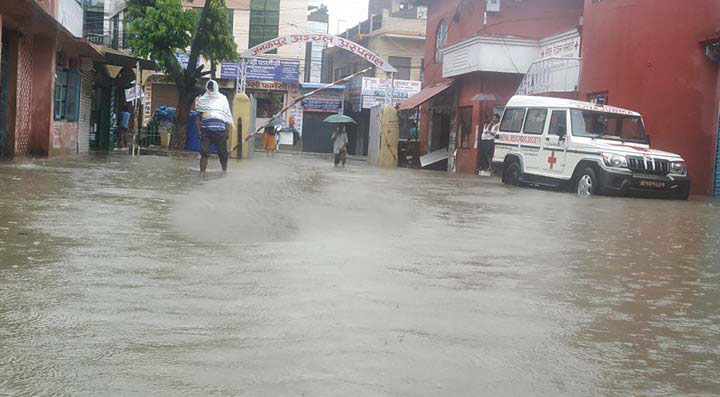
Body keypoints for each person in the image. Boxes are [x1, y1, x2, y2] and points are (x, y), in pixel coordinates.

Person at [195, 80, 234, 176]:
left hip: (220, 131)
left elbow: (227, 115)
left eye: (213, 88)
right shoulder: (202, 100)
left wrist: (227, 131)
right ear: (207, 88)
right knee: (204, 153)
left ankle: (224, 171)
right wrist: (199, 130)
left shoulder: (223, 99)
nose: (211, 90)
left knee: (223, 154)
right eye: (209, 88)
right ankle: (202, 173)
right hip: (206, 132)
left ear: (216, 88)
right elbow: (198, 117)